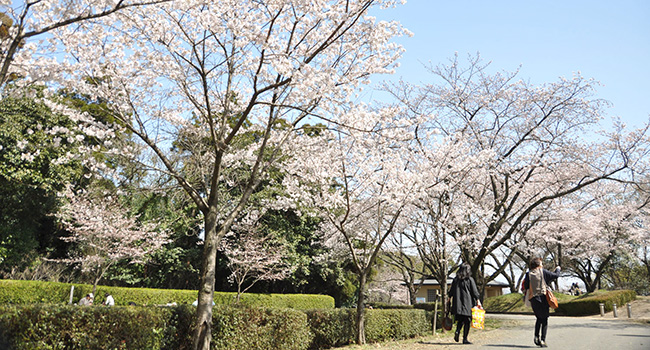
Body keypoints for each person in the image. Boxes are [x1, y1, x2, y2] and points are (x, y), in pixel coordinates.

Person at [523, 257, 561, 348]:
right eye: (541, 263)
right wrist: (558, 269)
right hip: (543, 298)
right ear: (538, 265)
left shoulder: (528, 274)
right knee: (544, 320)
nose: (542, 265)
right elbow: (555, 275)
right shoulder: (542, 271)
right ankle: (543, 340)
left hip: (533, 299)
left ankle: (536, 336)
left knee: (539, 318)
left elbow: (526, 286)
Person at [449, 263, 482, 345]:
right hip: (467, 303)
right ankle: (465, 339)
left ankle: (457, 331)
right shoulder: (470, 280)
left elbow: (451, 292)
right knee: (467, 321)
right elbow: (474, 292)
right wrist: (478, 300)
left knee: (460, 320)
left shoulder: (455, 280)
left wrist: (449, 300)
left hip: (457, 304)